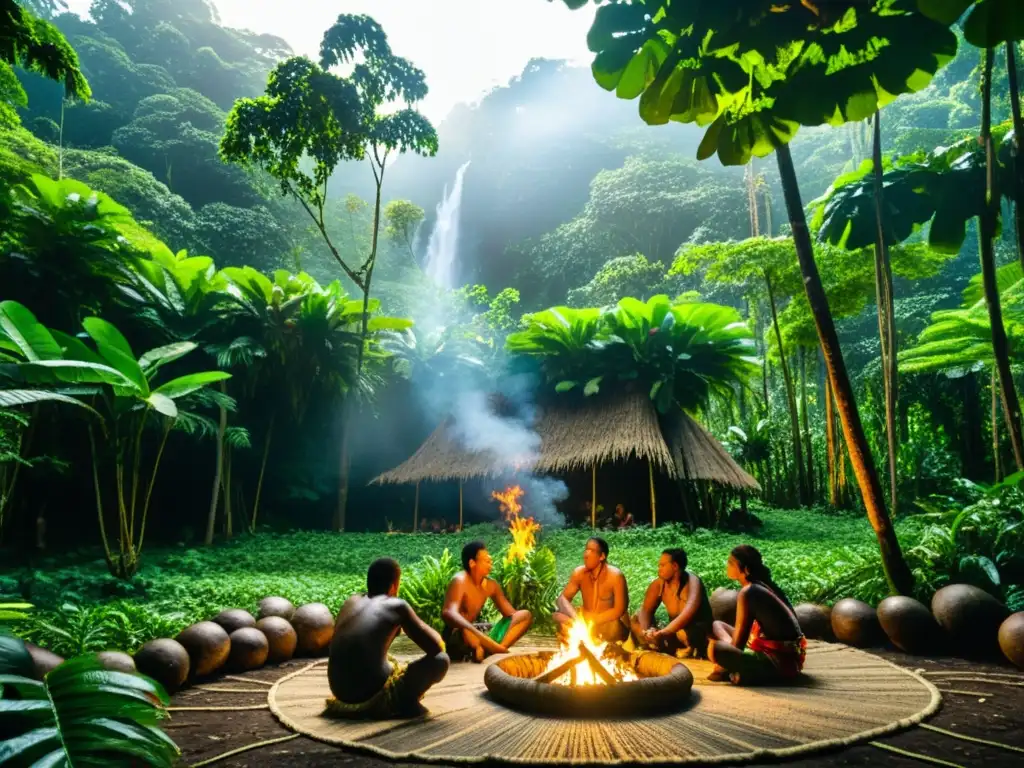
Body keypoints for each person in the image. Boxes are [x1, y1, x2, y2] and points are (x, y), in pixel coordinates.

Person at [326, 558, 450, 718]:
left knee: (389, 661)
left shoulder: (351, 601)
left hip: (339, 690)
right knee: (441, 660)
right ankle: (406, 702)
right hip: (370, 696)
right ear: (393, 586)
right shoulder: (397, 606)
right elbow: (436, 646)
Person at [707, 544, 806, 685]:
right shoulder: (758, 586)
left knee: (716, 649)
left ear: (745, 569)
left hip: (779, 662)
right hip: (769, 648)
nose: (727, 566)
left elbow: (737, 646)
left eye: (731, 563)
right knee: (717, 625)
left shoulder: (749, 592)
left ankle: (741, 672)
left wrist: (724, 664)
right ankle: (739, 672)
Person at [441, 541, 534, 662]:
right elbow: (448, 613)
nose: (491, 564)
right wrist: (475, 632)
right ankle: (487, 649)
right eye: (486, 561)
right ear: (472, 563)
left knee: (524, 615)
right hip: (457, 637)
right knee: (464, 627)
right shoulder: (460, 580)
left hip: (478, 636)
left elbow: (511, 615)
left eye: (490, 561)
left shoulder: (491, 585)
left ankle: (493, 649)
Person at [631, 548, 712, 658]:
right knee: (636, 620)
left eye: (662, 565)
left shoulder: (693, 582)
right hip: (673, 630)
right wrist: (647, 631)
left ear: (675, 566)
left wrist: (664, 632)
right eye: (659, 565)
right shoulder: (659, 584)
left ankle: (689, 648)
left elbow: (687, 614)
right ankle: (656, 644)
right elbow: (645, 610)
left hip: (693, 630)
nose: (659, 569)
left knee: (682, 634)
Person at [553, 537, 629, 643]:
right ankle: (584, 638)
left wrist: (594, 620)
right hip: (585, 622)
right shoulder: (579, 573)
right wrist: (576, 619)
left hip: (606, 623)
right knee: (557, 616)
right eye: (586, 550)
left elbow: (619, 609)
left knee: (614, 625)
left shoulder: (616, 576)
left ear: (602, 556)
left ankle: (598, 642)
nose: (586, 555)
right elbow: (562, 599)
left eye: (592, 551)